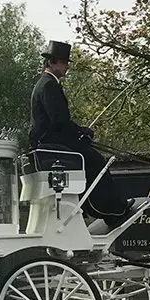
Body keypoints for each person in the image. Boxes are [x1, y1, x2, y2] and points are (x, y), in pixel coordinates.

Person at [29, 40, 136, 230]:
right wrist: (81, 132)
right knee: (95, 160)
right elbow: (59, 121)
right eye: (64, 63)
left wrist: (80, 131)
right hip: (52, 144)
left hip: (48, 142)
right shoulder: (49, 86)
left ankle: (99, 208)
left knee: (90, 155)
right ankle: (114, 210)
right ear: (52, 63)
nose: (67, 67)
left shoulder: (43, 84)